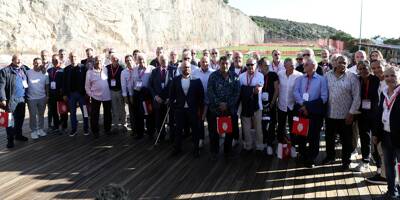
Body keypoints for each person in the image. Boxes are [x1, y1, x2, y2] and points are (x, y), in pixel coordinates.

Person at [323, 55, 361, 170]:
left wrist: (351, 113)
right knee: (329, 138)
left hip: (346, 116)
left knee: (346, 141)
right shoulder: (327, 75)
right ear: (335, 63)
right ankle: (330, 157)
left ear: (347, 63)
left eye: (344, 63)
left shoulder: (352, 77)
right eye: (340, 62)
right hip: (330, 114)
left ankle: (346, 161)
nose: (342, 65)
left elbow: (357, 97)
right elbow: (324, 93)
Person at [293, 58, 328, 168]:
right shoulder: (300, 79)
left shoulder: (322, 80)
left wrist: (308, 106)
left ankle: (312, 158)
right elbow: (295, 92)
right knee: (301, 134)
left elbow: (324, 98)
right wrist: (303, 105)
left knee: (314, 136)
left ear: (313, 66)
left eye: (306, 64)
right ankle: (303, 154)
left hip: (315, 113)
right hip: (301, 111)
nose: (304, 66)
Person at [374, 66, 400, 199]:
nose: (390, 79)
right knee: (389, 166)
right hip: (385, 135)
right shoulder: (384, 92)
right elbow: (380, 114)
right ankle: (391, 192)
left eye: (393, 75)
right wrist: (376, 134)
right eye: (387, 76)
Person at [207, 56, 240, 160]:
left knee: (229, 132)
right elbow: (210, 92)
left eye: (226, 63)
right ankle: (214, 152)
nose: (224, 65)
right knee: (214, 132)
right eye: (222, 63)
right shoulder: (213, 76)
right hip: (215, 110)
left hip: (229, 110)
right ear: (219, 64)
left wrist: (227, 104)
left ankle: (227, 151)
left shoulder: (235, 76)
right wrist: (219, 103)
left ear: (229, 64)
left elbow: (237, 93)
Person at [169, 61, 204, 157]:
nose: (186, 69)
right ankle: (177, 148)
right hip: (180, 110)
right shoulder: (176, 80)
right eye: (184, 67)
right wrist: (173, 107)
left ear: (191, 69)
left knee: (195, 130)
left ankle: (196, 149)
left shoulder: (197, 81)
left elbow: (201, 97)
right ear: (181, 69)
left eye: (188, 67)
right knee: (178, 130)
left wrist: (200, 110)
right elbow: (171, 95)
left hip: (192, 110)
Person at [352, 60, 380, 172]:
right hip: (362, 114)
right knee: (364, 138)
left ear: (369, 68)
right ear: (358, 70)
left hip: (375, 114)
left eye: (365, 67)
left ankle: (379, 165)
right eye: (361, 68)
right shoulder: (357, 80)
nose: (363, 70)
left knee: (377, 139)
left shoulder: (376, 80)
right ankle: (365, 161)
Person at [0, 54, 30, 148]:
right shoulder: (5, 71)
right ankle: (10, 140)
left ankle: (18, 135)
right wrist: (3, 99)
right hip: (10, 99)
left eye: (21, 60)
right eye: (17, 60)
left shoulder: (23, 69)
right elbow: (1, 86)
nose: (19, 61)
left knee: (20, 118)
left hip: (22, 98)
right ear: (12, 60)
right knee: (9, 120)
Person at [366, 59, 388, 184]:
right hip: (378, 119)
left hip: (388, 120)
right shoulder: (376, 81)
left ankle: (385, 177)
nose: (376, 70)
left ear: (384, 66)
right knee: (379, 148)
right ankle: (382, 173)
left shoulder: (390, 81)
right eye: (373, 68)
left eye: (378, 67)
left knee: (384, 149)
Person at [277, 58, 302, 156]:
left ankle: (293, 147)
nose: (293, 66)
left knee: (293, 127)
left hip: (293, 106)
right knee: (281, 127)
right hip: (281, 105)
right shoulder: (280, 74)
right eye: (291, 65)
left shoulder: (299, 75)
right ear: (285, 66)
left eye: (294, 65)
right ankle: (281, 147)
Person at [149, 54, 177, 142]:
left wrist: (171, 97)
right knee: (159, 119)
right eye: (161, 60)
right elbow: (150, 85)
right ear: (158, 61)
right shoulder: (154, 71)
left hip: (170, 99)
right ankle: (161, 136)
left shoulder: (174, 70)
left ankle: (172, 137)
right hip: (158, 99)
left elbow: (177, 85)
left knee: (171, 119)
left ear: (168, 60)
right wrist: (155, 96)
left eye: (165, 59)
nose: (163, 61)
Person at [238, 58, 264, 152]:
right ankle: (248, 146)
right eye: (248, 65)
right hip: (245, 105)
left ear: (256, 65)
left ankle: (259, 146)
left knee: (258, 127)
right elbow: (239, 91)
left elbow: (257, 90)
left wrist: (245, 89)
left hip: (257, 105)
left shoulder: (260, 75)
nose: (250, 66)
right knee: (246, 128)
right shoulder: (241, 76)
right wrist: (251, 90)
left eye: (252, 64)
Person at [63, 52, 89, 136]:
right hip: (71, 95)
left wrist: (87, 93)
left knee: (85, 112)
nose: (73, 58)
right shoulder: (66, 69)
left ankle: (86, 128)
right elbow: (64, 83)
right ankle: (74, 129)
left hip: (82, 95)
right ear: (69, 58)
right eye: (71, 57)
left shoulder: (83, 67)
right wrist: (65, 94)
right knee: (72, 113)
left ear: (77, 57)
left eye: (74, 56)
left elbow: (87, 81)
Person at [85, 56, 112, 138]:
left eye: (100, 61)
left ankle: (107, 130)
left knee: (107, 114)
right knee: (94, 115)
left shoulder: (105, 69)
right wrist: (91, 95)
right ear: (94, 62)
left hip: (107, 96)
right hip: (95, 96)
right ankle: (95, 131)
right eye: (97, 61)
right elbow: (87, 86)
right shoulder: (89, 72)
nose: (98, 62)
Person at [192, 56, 215, 148]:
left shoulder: (214, 73)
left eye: (206, 62)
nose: (204, 63)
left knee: (211, 122)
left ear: (209, 62)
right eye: (203, 62)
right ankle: (201, 139)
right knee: (200, 122)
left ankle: (212, 139)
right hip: (200, 102)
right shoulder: (195, 72)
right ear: (199, 63)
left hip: (211, 102)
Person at [258, 57, 279, 155]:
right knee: (262, 124)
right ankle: (264, 141)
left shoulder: (273, 75)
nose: (267, 67)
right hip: (260, 105)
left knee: (271, 124)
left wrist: (272, 103)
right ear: (260, 66)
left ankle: (270, 144)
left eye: (268, 65)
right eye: (265, 65)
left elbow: (276, 90)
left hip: (271, 104)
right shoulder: (257, 76)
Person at [131, 53, 155, 139]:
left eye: (143, 59)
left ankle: (150, 133)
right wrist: (131, 95)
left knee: (149, 114)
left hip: (147, 95)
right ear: (137, 60)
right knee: (138, 114)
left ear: (146, 59)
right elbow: (132, 83)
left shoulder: (152, 69)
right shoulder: (134, 69)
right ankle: (139, 133)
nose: (141, 61)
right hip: (137, 94)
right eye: (139, 59)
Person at [26, 58, 48, 139]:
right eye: (35, 63)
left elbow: (47, 85)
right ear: (33, 63)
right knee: (32, 115)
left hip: (42, 97)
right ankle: (34, 131)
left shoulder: (45, 73)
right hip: (31, 98)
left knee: (41, 115)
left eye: (39, 63)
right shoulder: (28, 72)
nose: (37, 65)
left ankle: (40, 129)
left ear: (41, 64)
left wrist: (47, 95)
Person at [228, 51, 246, 146]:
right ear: (233, 59)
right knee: (233, 119)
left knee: (244, 119)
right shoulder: (228, 69)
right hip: (233, 99)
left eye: (239, 57)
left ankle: (244, 139)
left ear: (242, 59)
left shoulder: (246, 69)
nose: (237, 59)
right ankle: (235, 137)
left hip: (244, 98)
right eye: (235, 57)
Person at [47, 54, 68, 134]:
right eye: (53, 60)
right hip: (52, 94)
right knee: (53, 111)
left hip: (61, 94)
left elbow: (65, 83)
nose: (55, 61)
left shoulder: (63, 70)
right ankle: (56, 126)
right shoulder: (49, 70)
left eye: (56, 60)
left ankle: (64, 126)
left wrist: (64, 93)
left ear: (60, 60)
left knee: (63, 111)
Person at [106, 54, 126, 132]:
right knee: (114, 109)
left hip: (120, 90)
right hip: (111, 91)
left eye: (116, 59)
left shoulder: (122, 67)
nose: (115, 60)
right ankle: (115, 125)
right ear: (111, 60)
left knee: (122, 108)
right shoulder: (107, 67)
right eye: (113, 59)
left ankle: (124, 125)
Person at [121, 55, 135, 135]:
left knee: (139, 112)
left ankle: (141, 128)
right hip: (130, 95)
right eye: (127, 61)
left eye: (130, 60)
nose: (129, 62)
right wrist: (125, 96)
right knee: (132, 113)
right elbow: (123, 85)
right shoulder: (123, 72)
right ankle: (134, 130)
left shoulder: (136, 70)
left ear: (133, 60)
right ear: (125, 62)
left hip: (137, 94)